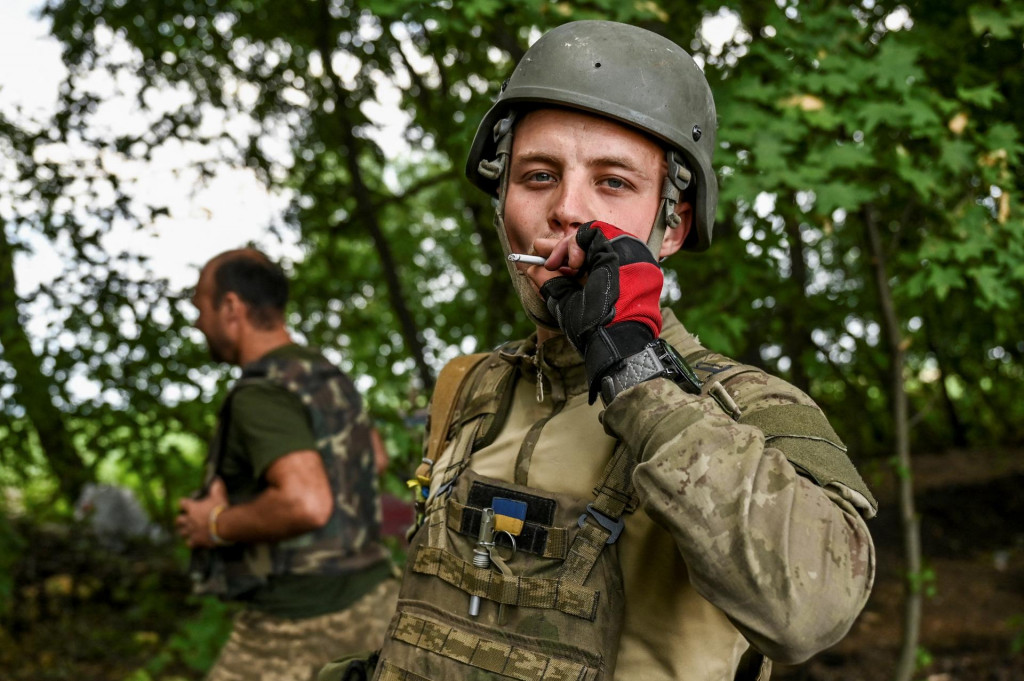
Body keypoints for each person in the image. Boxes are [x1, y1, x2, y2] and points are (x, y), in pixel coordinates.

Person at [360, 20, 878, 681]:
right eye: (538, 175)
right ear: (502, 204)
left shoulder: (749, 408)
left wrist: (633, 363)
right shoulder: (471, 387)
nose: (568, 209)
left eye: (612, 183)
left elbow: (812, 610)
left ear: (671, 227)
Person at [176, 248, 398, 681]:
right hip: (377, 601)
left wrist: (215, 524)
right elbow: (376, 456)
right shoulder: (323, 372)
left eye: (199, 305)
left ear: (231, 306)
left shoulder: (260, 392)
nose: (198, 321)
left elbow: (306, 503)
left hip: (297, 624)